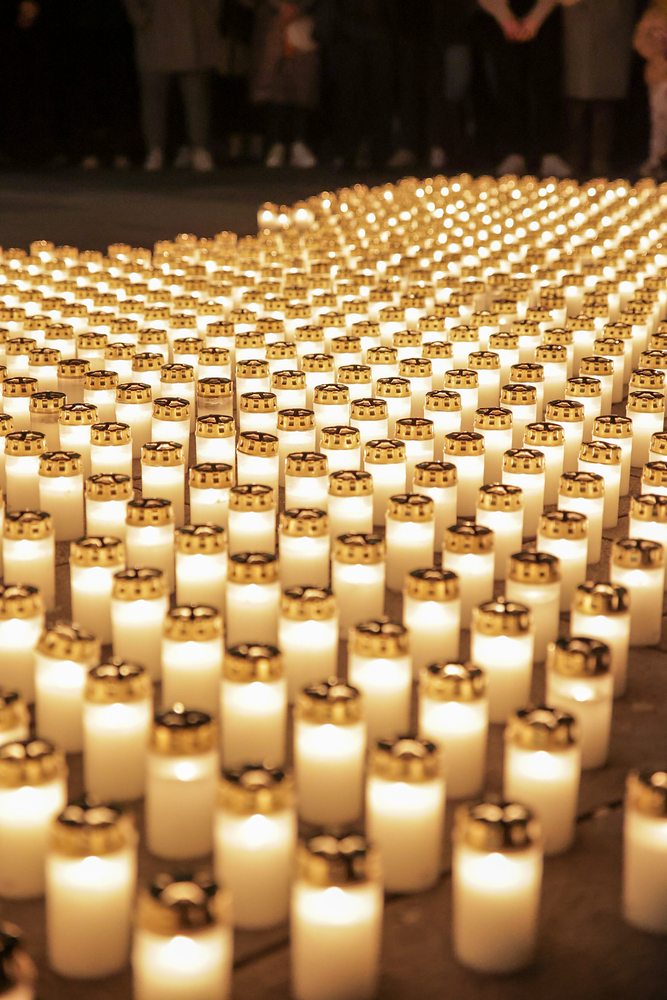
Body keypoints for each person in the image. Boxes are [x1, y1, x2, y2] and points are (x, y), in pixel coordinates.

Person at [123, 0, 224, 171]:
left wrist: (207, 16)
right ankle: (155, 148)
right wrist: (141, 18)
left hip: (194, 25)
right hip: (155, 26)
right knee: (154, 94)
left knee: (197, 94)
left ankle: (199, 147)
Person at [478, 0, 572, 177]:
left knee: (547, 81)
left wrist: (536, 17)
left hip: (546, 14)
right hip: (502, 14)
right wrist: (504, 18)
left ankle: (549, 152)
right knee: (508, 82)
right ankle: (514, 151)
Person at [387, 1, 476, 172]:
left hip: (448, 29)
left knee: (444, 88)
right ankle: (410, 146)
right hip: (411, 28)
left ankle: (441, 145)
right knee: (410, 85)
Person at [562, 0, 635, 178]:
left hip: (612, 19)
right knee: (577, 90)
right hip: (577, 17)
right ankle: (575, 159)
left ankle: (601, 159)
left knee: (605, 91)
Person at [247, 0, 319, 168]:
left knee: (302, 84)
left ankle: (298, 141)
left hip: (303, 22)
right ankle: (275, 143)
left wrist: (298, 7)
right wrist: (280, 6)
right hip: (273, 22)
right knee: (274, 83)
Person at [634, 0, 667, 176]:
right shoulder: (654, 15)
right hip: (659, 76)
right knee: (659, 121)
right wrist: (657, 51)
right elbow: (640, 41)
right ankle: (656, 161)